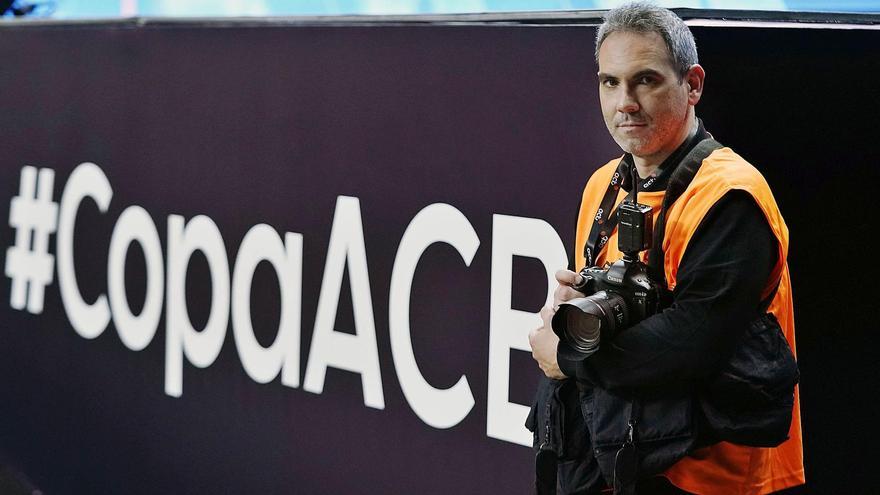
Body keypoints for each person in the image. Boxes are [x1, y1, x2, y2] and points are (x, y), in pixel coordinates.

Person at [527, 3, 804, 494]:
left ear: (692, 85)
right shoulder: (603, 186)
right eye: (610, 82)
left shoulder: (730, 196)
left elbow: (691, 343)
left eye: (646, 80)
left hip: (712, 476)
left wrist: (568, 357)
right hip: (622, 455)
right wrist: (575, 308)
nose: (625, 103)